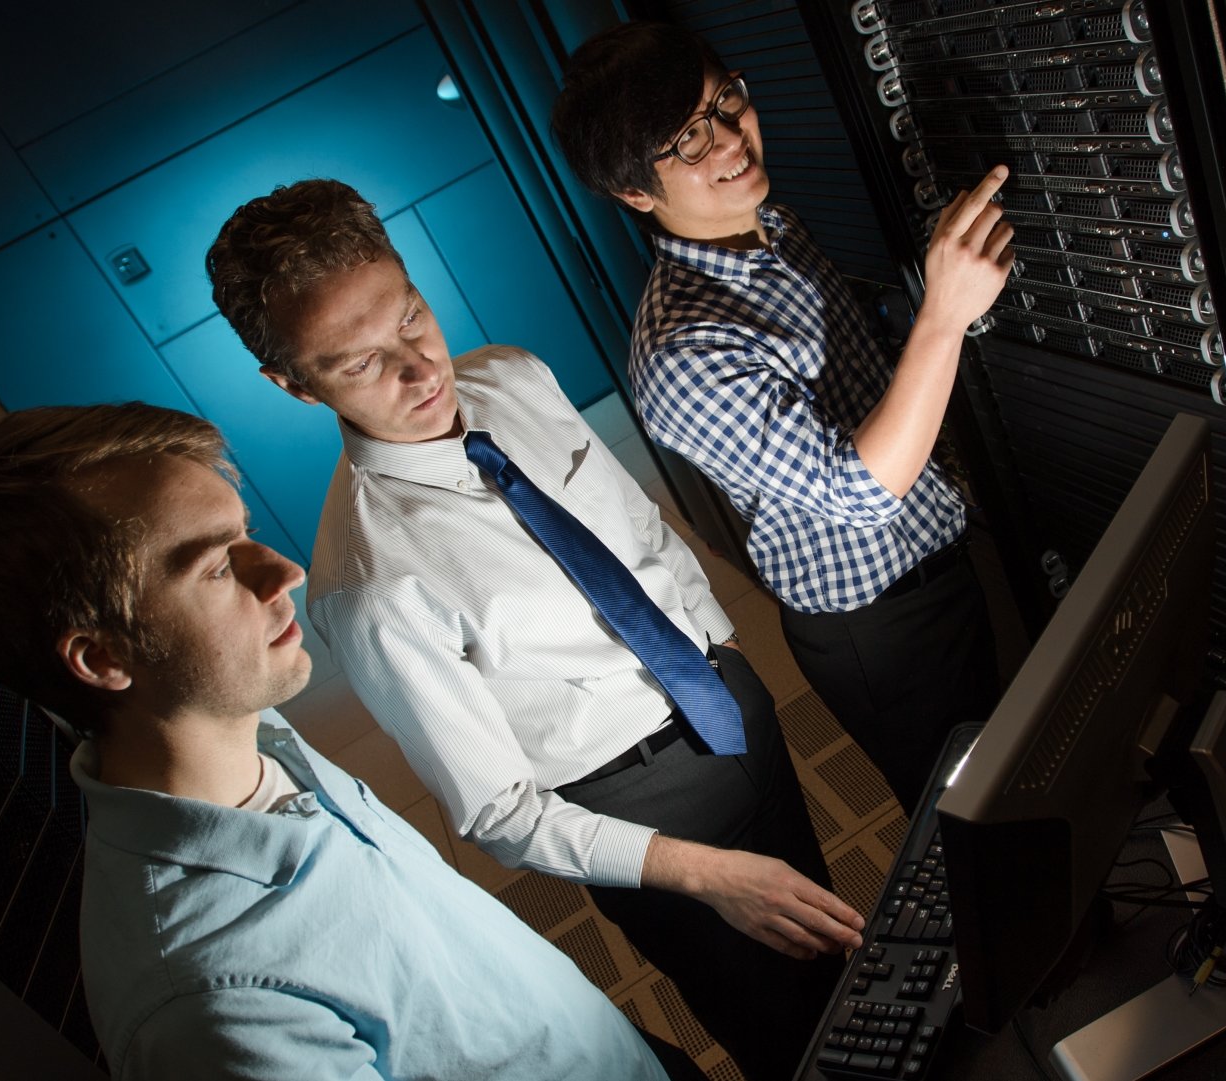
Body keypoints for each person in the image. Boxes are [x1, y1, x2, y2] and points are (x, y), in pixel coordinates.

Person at [206, 178, 862, 1080]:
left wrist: (723, 650)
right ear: (293, 384)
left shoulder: (511, 374)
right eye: (358, 363)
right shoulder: (366, 580)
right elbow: (498, 814)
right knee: (785, 1034)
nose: (418, 368)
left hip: (725, 701)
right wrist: (702, 873)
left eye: (410, 316)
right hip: (636, 813)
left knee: (839, 949)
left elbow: (641, 535)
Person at [0, 403, 692, 1081]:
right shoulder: (212, 1002)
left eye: (243, 533)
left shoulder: (257, 736)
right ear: (105, 658)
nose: (283, 570)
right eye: (214, 568)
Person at [552, 22, 1016, 814]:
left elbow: (866, 385)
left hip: (944, 555)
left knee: (1022, 766)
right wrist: (945, 316)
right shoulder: (681, 353)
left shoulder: (777, 229)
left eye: (724, 100)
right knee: (973, 823)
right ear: (634, 191)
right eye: (688, 139)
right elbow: (862, 489)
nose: (731, 137)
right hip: (881, 627)